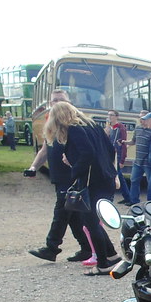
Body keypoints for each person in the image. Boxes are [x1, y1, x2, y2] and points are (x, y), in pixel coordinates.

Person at [45, 101, 120, 276]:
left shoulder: (75, 129)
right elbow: (110, 150)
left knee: (90, 222)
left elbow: (87, 153)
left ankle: (103, 264)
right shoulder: (93, 125)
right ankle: (112, 255)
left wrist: (74, 168)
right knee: (94, 219)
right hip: (105, 177)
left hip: (92, 181)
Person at [26, 89, 92, 263]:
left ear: (68, 102)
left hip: (71, 177)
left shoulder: (75, 125)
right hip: (59, 177)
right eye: (54, 100)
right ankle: (86, 248)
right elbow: (45, 150)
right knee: (73, 216)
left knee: (61, 213)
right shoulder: (52, 125)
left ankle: (51, 247)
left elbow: (87, 151)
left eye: (60, 100)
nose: (56, 103)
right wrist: (34, 167)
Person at [107, 110, 133, 204]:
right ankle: (127, 197)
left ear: (116, 117)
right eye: (109, 115)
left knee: (117, 175)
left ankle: (127, 197)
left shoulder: (121, 127)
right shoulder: (110, 127)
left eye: (111, 115)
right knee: (118, 176)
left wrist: (122, 159)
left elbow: (123, 144)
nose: (109, 117)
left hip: (117, 155)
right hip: (110, 154)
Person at [127, 111, 150, 205]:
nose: (141, 120)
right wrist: (125, 143)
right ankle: (134, 201)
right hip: (138, 161)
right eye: (140, 118)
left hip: (148, 161)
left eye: (143, 118)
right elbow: (133, 141)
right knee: (134, 180)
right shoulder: (137, 129)